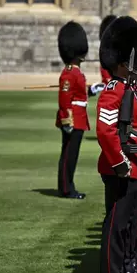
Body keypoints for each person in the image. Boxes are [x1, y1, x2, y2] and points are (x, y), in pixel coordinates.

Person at [96, 16, 137, 273]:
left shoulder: (131, 89)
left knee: (128, 221)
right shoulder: (114, 90)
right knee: (116, 223)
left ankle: (126, 267)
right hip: (121, 167)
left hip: (136, 162)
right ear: (123, 63)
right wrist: (120, 162)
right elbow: (105, 130)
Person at [55, 21, 91, 199]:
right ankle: (66, 188)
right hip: (72, 119)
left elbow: (79, 95)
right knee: (69, 155)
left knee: (72, 155)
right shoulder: (69, 72)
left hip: (79, 117)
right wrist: (66, 120)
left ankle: (68, 185)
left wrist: (92, 91)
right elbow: (64, 99)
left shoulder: (75, 71)